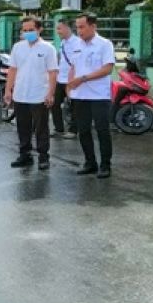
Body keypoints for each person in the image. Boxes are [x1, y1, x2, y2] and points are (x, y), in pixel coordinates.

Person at [66, 13, 116, 179]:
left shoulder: (104, 44)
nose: (79, 31)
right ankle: (90, 162)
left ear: (93, 26)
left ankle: (105, 165)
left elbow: (107, 68)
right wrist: (69, 86)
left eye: (82, 27)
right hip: (80, 95)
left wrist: (84, 78)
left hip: (99, 96)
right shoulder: (76, 45)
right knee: (83, 130)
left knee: (102, 130)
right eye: (77, 27)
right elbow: (73, 67)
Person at [5, 17, 58, 170]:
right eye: (25, 30)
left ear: (39, 29)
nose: (27, 33)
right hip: (20, 93)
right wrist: (8, 89)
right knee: (22, 126)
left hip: (39, 94)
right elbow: (13, 70)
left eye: (31, 30)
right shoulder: (17, 47)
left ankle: (43, 156)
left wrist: (50, 93)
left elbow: (53, 72)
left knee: (41, 128)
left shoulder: (48, 49)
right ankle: (25, 154)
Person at [52, 19, 78, 137]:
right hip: (60, 78)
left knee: (74, 105)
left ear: (68, 28)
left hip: (72, 80)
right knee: (54, 104)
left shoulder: (77, 43)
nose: (58, 31)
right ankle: (59, 129)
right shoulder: (62, 43)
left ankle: (73, 130)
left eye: (59, 28)